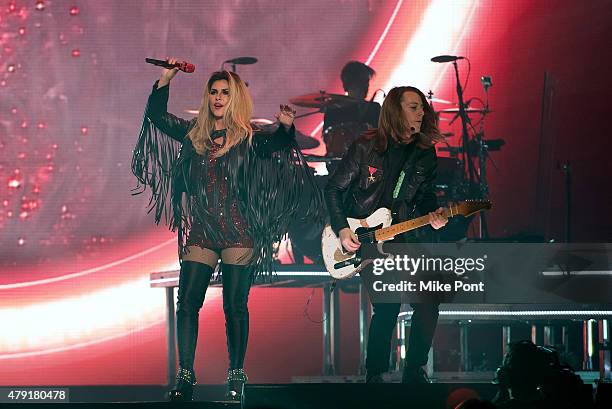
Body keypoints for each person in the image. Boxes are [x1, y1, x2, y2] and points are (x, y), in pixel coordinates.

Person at [132, 59, 322, 401]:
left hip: (238, 230)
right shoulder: (193, 132)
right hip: (202, 230)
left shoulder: (249, 137)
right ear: (208, 97)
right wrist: (166, 78)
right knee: (187, 303)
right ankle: (185, 376)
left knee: (235, 306)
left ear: (235, 98)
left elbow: (277, 145)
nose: (219, 98)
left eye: (225, 93)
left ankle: (236, 375)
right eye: (214, 92)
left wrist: (285, 127)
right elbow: (157, 118)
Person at [324, 85, 447, 383]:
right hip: (366, 235)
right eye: (414, 106)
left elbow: (425, 196)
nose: (422, 112)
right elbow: (334, 188)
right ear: (396, 110)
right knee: (388, 305)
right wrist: (342, 229)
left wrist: (435, 215)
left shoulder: (425, 153)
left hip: (404, 234)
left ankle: (414, 369)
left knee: (429, 301)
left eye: (422, 107)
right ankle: (375, 374)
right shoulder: (366, 147)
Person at [323, 61, 381, 158]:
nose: (366, 86)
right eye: (362, 82)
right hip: (340, 162)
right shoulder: (334, 109)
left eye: (367, 82)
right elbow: (327, 139)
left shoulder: (374, 108)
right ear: (349, 85)